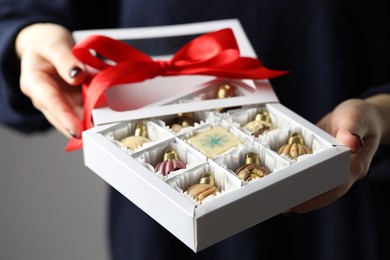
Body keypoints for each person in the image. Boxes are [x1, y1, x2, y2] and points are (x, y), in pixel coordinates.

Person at [1, 0, 390, 259]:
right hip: (158, 232)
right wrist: (28, 37)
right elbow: (27, 12)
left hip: (345, 219)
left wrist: (381, 113)